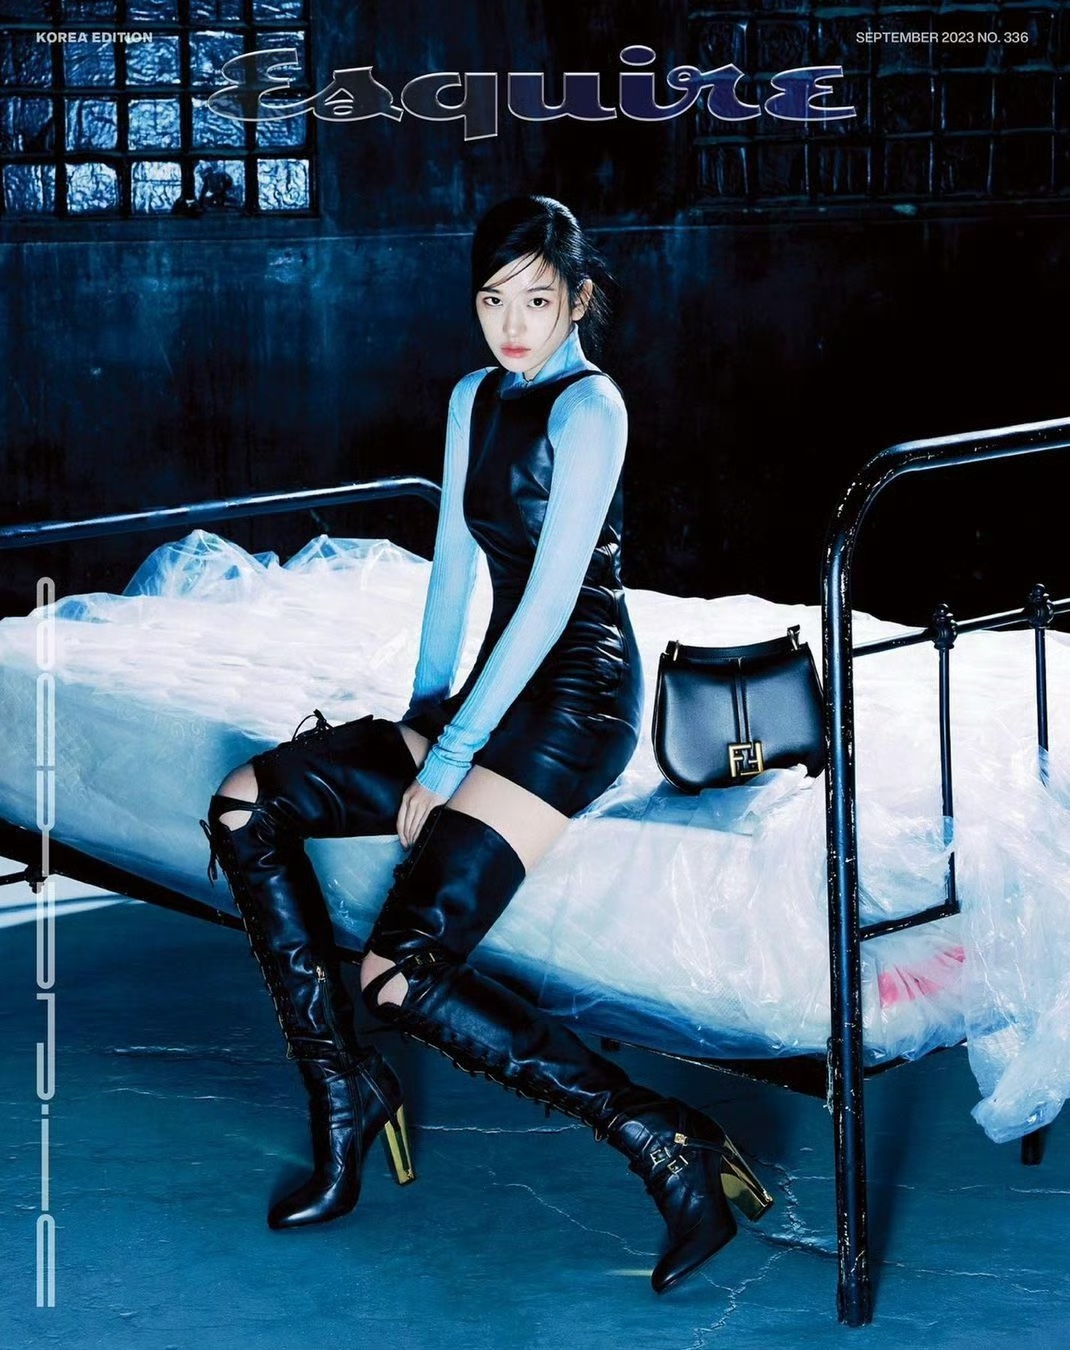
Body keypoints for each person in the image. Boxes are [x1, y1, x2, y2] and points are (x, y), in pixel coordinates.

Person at [202, 194, 772, 1295]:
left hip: (577, 700)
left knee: (399, 974)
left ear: (579, 301)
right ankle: (343, 1093)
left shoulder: (592, 408)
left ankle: (662, 1141)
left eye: (537, 302)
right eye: (492, 301)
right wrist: (424, 712)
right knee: (243, 801)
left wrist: (450, 754)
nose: (512, 326)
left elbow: (552, 602)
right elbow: (455, 573)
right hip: (492, 689)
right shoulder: (473, 395)